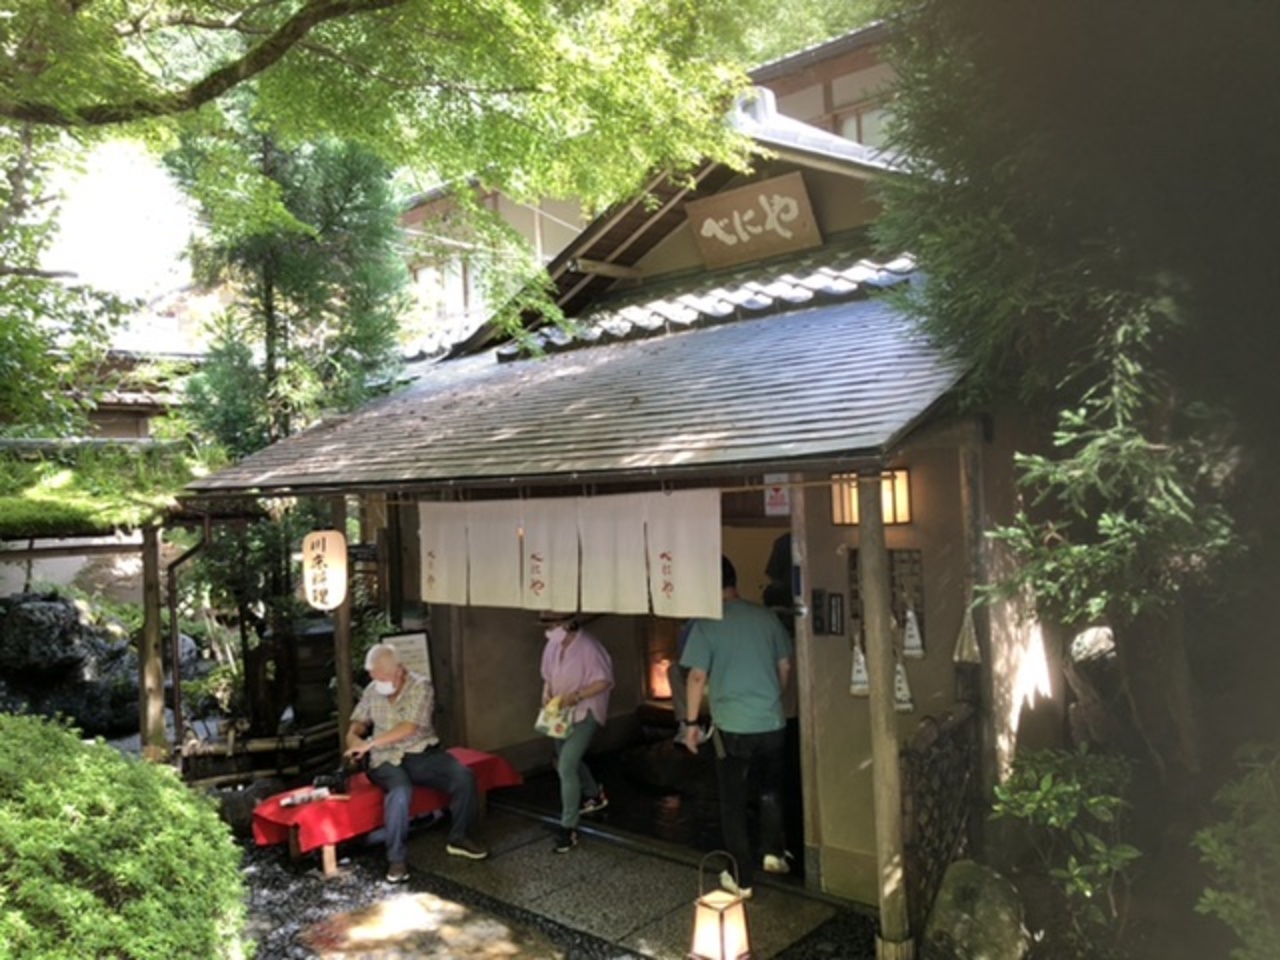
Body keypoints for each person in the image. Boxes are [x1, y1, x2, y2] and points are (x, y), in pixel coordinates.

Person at [680, 556, 794, 898]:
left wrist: (690, 723)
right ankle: (773, 854)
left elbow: (696, 676)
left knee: (733, 802)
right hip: (771, 722)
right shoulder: (765, 617)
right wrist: (772, 696)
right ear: (734, 580)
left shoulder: (706, 625)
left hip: (732, 727)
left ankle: (741, 877)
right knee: (770, 790)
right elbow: (785, 666)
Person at [345, 643, 488, 883]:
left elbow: (409, 727)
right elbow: (359, 721)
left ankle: (459, 837)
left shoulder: (421, 686)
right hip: (384, 758)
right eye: (374, 677)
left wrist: (369, 743)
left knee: (464, 777)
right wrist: (353, 738)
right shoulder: (372, 689)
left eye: (382, 677)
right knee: (400, 790)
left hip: (420, 752)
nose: (378, 682)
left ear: (399, 670)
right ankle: (396, 860)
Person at [539, 611, 614, 853]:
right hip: (561, 712)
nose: (550, 630)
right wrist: (546, 695)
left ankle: (568, 826)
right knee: (564, 758)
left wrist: (578, 696)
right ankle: (594, 793)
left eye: (554, 625)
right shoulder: (552, 646)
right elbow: (547, 676)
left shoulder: (589, 647)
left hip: (585, 710)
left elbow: (604, 680)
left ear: (568, 624)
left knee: (566, 765)